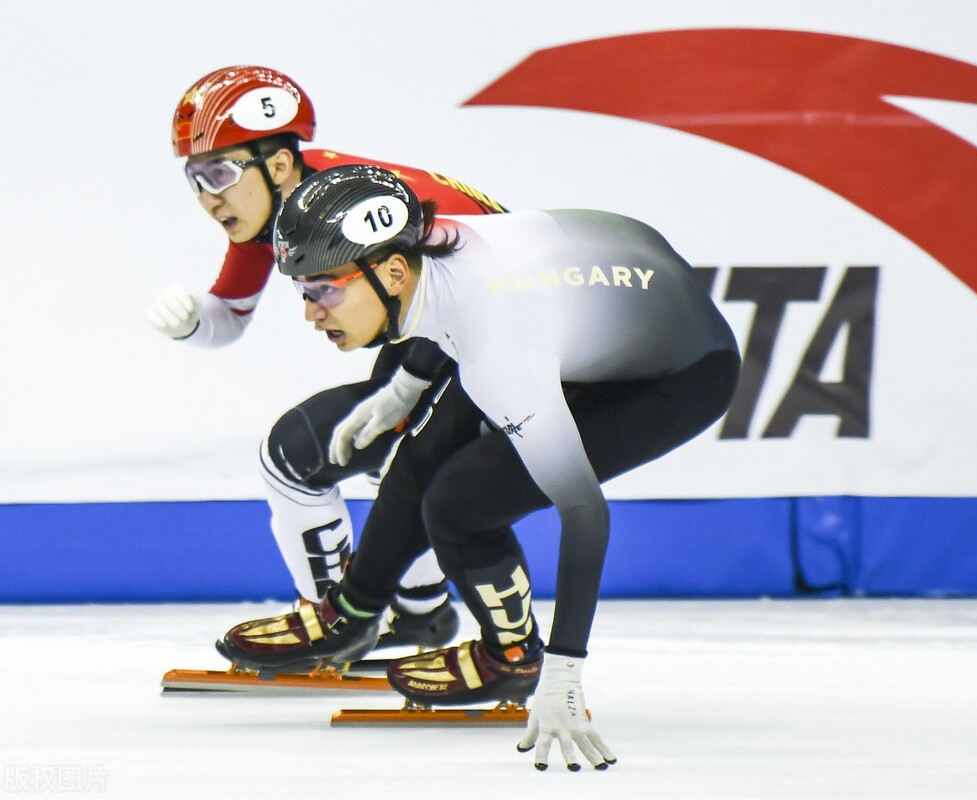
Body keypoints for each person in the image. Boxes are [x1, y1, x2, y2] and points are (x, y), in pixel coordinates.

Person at [216, 165, 742, 771]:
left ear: (390, 272)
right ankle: (355, 613)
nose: (311, 312)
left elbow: (584, 511)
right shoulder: (433, 250)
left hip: (680, 371)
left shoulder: (499, 348)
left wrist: (567, 669)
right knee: (418, 449)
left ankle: (516, 660)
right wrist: (406, 386)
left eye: (323, 290)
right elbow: (443, 311)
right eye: (303, 292)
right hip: (611, 277)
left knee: (462, 503)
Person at [147, 66, 507, 650]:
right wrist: (193, 321)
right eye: (195, 178)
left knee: (297, 459)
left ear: (280, 165)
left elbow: (484, 271)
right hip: (459, 337)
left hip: (495, 334)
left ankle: (341, 620)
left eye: (218, 172)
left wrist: (411, 382)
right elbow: (230, 316)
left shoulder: (353, 199)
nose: (208, 197)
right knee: (377, 454)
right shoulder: (283, 204)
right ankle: (418, 615)